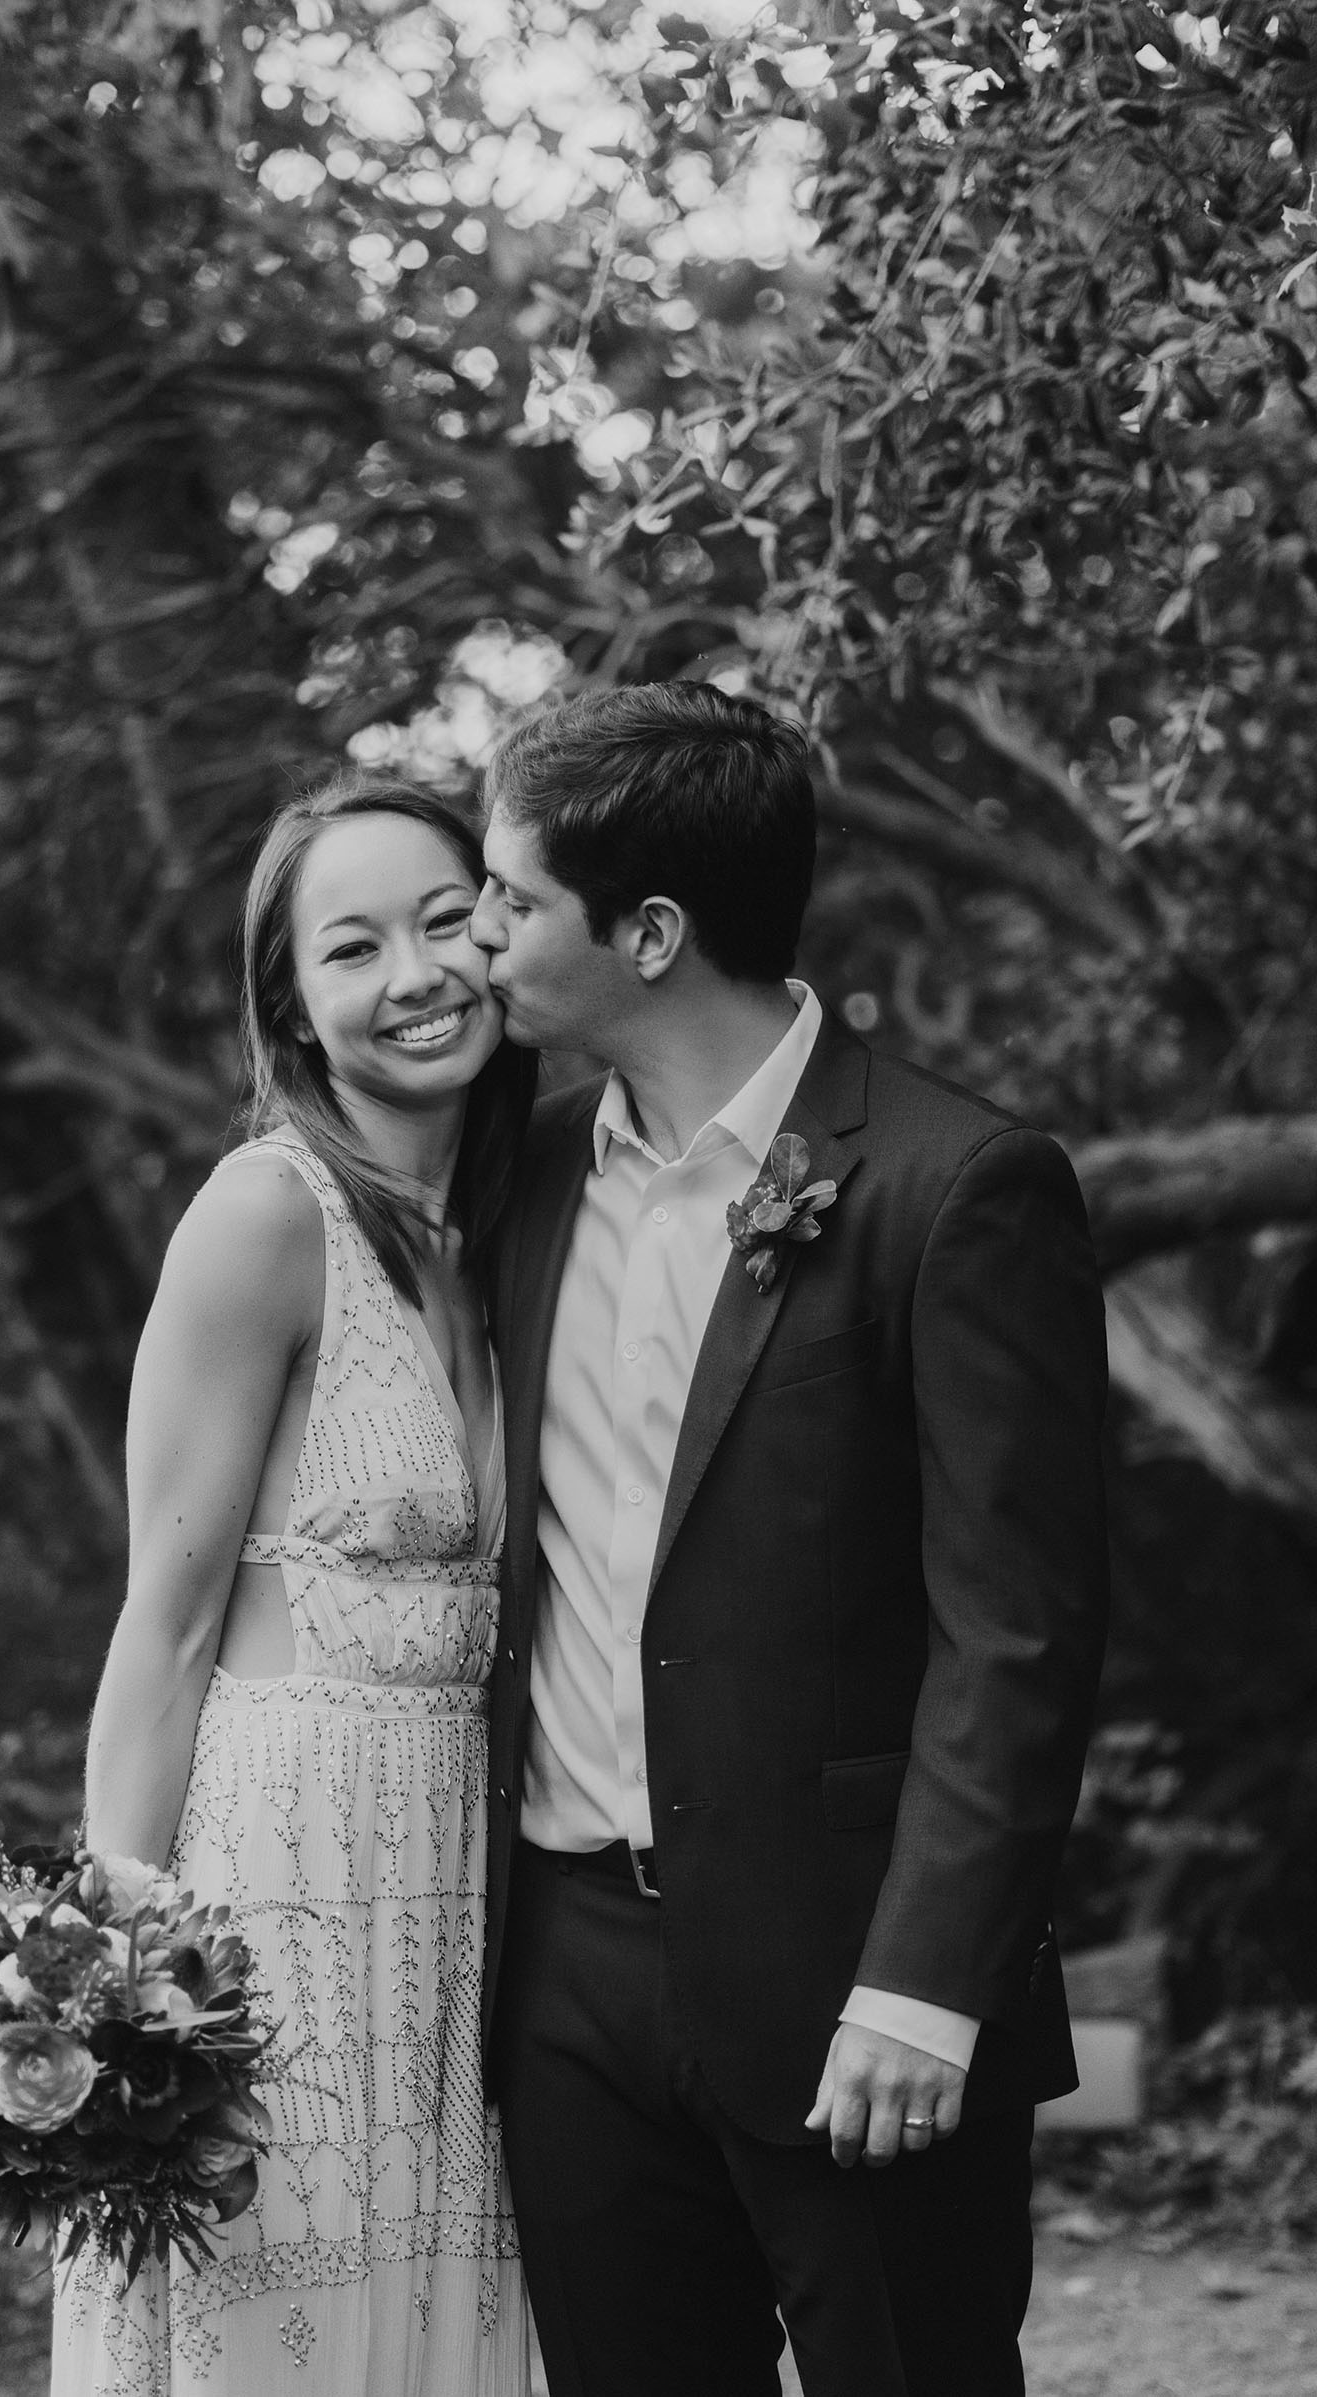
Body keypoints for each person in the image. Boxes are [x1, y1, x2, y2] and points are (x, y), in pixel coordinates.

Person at [470, 682, 1110, 2397]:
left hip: (858, 1977)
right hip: (571, 1985)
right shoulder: (520, 1185)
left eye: (512, 899)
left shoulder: (954, 1184)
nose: (481, 936)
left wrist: (925, 1981)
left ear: (653, 931)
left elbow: (1020, 1634)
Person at [52, 776, 535, 2397]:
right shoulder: (266, 1216)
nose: (416, 971)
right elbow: (165, 1622)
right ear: (298, 1009)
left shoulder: (518, 1228)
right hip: (287, 1882)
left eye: (447, 917)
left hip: (465, 1889)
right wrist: (110, 1995)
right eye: (354, 945)